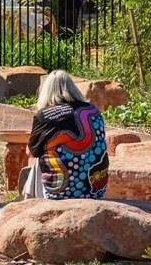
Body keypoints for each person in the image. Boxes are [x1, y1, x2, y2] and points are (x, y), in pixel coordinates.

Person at [23, 69, 109, 200]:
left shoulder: (45, 115)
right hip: (96, 188)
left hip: (61, 191)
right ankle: (22, 200)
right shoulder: (92, 110)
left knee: (40, 161)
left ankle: (25, 204)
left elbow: (31, 152)